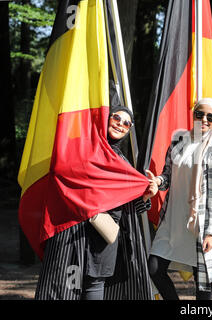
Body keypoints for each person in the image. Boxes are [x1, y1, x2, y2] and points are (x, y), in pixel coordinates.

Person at [35, 105, 158, 300]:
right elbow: (62, 177)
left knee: (95, 284)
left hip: (103, 236)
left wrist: (145, 196)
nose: (121, 124)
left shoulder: (122, 162)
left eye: (127, 123)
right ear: (106, 118)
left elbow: (128, 205)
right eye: (116, 118)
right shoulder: (82, 149)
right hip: (74, 235)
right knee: (69, 285)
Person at [148, 98, 212, 300]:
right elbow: (168, 176)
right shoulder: (178, 142)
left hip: (199, 224)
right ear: (193, 115)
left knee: (202, 284)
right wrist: (157, 181)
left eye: (211, 116)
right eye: (199, 114)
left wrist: (211, 233)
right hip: (173, 219)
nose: (204, 119)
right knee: (154, 268)